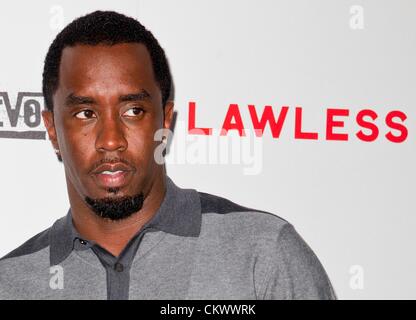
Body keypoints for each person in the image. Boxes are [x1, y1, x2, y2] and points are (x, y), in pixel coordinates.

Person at [0, 10, 336, 300]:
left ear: (164, 120)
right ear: (53, 130)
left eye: (133, 110)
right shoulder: (10, 283)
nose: (111, 140)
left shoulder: (261, 254)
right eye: (86, 113)